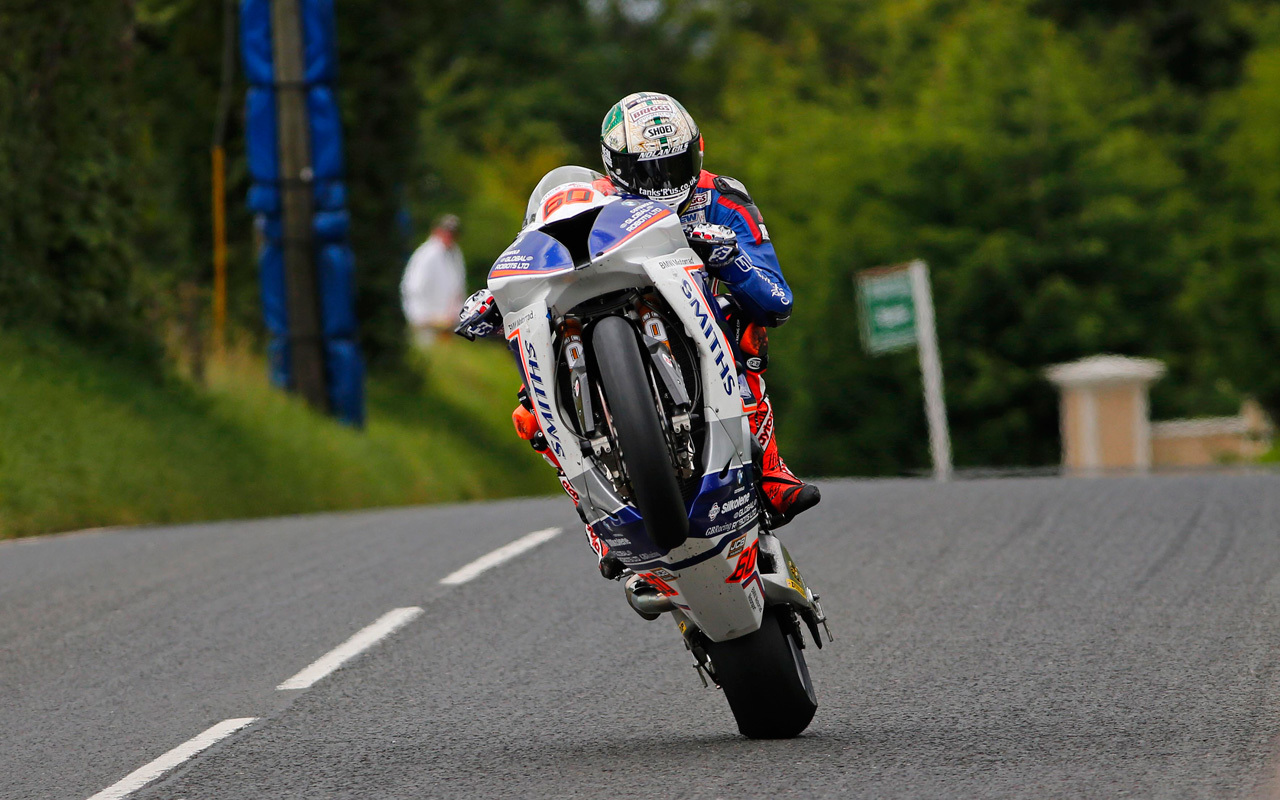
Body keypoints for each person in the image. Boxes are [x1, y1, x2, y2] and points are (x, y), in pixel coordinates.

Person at [594, 91, 820, 523]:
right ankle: (594, 514)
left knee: (743, 320)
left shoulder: (723, 197)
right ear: (616, 168)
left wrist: (731, 260)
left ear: (697, 151)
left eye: (675, 166)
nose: (664, 184)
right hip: (611, 318)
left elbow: (778, 301)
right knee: (527, 411)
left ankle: (771, 470)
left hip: (698, 324)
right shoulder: (590, 199)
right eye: (649, 172)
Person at [401, 214, 466, 348]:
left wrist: (456, 315)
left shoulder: (455, 254)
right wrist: (422, 318)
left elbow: (458, 288)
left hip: (448, 324)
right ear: (437, 231)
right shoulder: (427, 254)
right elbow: (413, 287)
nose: (449, 236)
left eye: (453, 233)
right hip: (427, 323)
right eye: (446, 232)